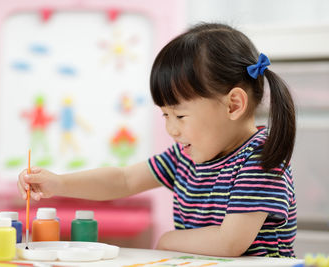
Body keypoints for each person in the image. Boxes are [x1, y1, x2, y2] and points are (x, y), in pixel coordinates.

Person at [17, 22, 296, 258]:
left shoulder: (260, 158)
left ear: (233, 105)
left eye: (180, 116)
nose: (171, 130)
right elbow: (124, 180)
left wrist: (167, 242)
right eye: (165, 115)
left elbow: (229, 242)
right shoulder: (184, 156)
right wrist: (60, 183)